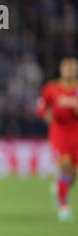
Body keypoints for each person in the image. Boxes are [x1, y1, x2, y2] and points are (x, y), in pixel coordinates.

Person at [37, 57, 78, 222]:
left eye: (71, 68)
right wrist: (47, 115)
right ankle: (63, 207)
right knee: (65, 166)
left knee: (73, 175)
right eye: (66, 68)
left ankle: (58, 189)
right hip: (59, 132)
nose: (69, 71)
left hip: (76, 131)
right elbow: (41, 106)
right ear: (61, 70)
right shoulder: (51, 88)